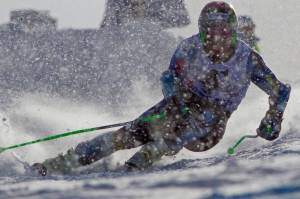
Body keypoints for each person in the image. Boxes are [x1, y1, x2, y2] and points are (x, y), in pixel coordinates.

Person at [31, 1, 291, 176]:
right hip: (180, 106)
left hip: (212, 124)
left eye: (223, 33)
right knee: (125, 135)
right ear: (201, 32)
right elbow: (169, 77)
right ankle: (59, 164)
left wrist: (273, 118)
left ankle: (136, 166)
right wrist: (176, 98)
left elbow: (280, 90)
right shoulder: (189, 48)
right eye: (209, 33)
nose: (215, 40)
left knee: (184, 128)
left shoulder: (247, 59)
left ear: (232, 33)